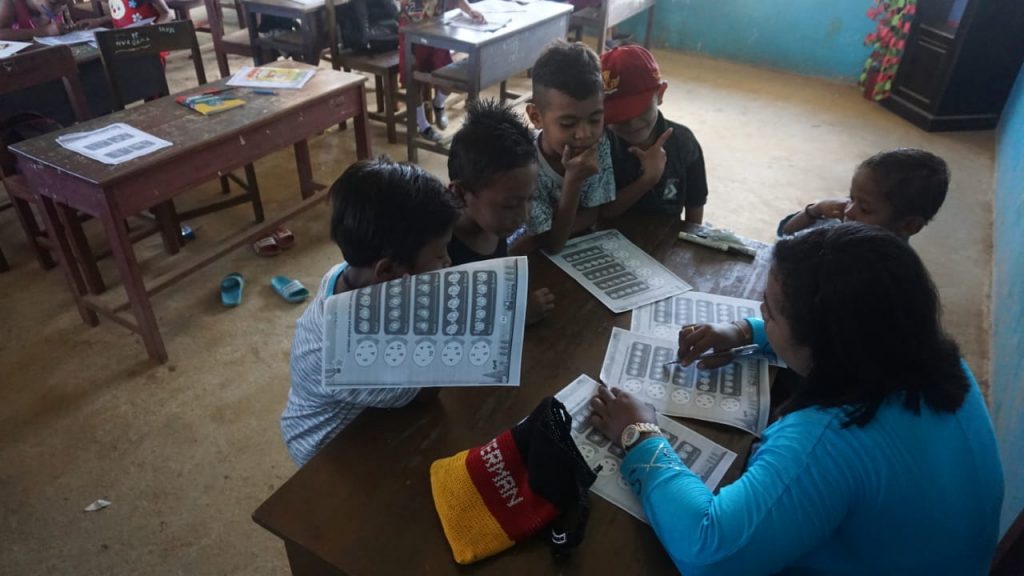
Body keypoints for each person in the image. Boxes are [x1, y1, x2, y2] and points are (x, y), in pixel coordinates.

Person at [588, 223, 1004, 575]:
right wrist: (747, 331)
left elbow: (706, 549)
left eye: (769, 310)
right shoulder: (924, 354)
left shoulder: (828, 437)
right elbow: (848, 328)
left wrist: (638, 433)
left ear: (820, 338)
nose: (759, 311)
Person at [281, 158, 459, 467]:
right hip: (326, 446)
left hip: (362, 413)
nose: (449, 263)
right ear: (388, 270)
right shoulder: (347, 356)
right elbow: (427, 391)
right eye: (440, 254)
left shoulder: (349, 274)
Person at [447, 98, 555, 322]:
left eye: (530, 198)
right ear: (460, 194)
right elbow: (453, 319)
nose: (524, 215)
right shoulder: (439, 250)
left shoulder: (493, 224)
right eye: (510, 205)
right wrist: (515, 315)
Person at [511, 39, 616, 255]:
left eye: (595, 119)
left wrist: (551, 230)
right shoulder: (525, 165)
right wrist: (573, 180)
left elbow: (593, 214)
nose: (585, 134)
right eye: (568, 123)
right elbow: (552, 245)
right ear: (536, 117)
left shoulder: (599, 143)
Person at [598, 45, 708, 223]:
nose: (632, 123)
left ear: (660, 94)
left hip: (665, 244)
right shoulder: (598, 143)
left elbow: (695, 207)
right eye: (618, 115)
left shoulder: (684, 143)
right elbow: (600, 213)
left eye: (639, 110)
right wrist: (647, 180)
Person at [778, 148, 949, 240]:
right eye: (851, 198)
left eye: (865, 209)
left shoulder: (884, 270)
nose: (849, 211)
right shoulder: (844, 223)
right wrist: (816, 209)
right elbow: (786, 232)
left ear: (909, 226)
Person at [398, 0, 484, 142]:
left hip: (436, 29)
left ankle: (438, 103)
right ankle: (423, 125)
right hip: (411, 30)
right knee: (413, 77)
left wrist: (470, 11)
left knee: (449, 75)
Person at [0, 0, 99, 39]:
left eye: (63, 4)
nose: (58, 9)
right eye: (53, 3)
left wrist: (99, 21)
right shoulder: (9, 3)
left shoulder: (51, 8)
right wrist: (45, 31)